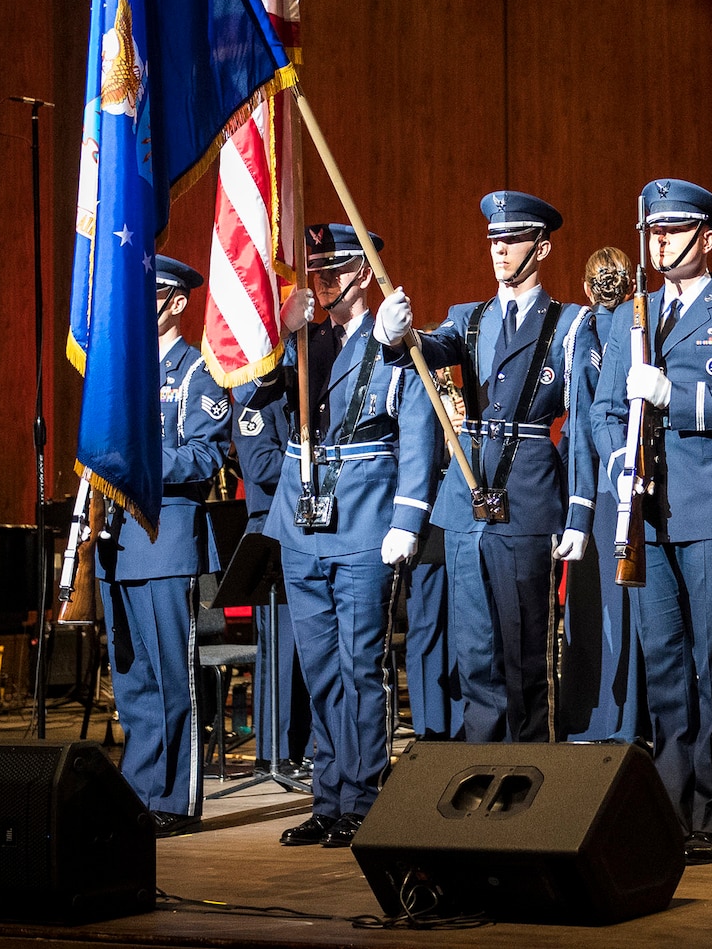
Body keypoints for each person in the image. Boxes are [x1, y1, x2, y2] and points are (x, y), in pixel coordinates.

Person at [592, 179, 712, 864]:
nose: (660, 241)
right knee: (666, 667)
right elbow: (607, 408)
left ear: (707, 237)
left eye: (674, 230)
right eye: (654, 231)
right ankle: (671, 808)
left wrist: (676, 394)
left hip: (710, 510)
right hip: (646, 510)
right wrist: (617, 463)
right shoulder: (631, 316)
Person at [253, 223, 441, 847]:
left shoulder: (392, 340)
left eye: (334, 270)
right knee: (319, 668)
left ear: (362, 273)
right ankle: (329, 797)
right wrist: (278, 340)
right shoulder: (305, 343)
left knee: (361, 666)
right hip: (303, 519)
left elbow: (417, 429)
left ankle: (363, 795)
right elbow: (261, 404)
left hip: (363, 517)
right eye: (316, 271)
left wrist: (408, 518)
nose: (322, 281)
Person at [376, 192, 585, 746]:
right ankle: (481, 769)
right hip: (467, 505)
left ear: (541, 247)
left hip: (528, 496)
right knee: (474, 652)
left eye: (512, 240)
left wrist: (579, 510)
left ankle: (528, 773)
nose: (499, 250)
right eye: (494, 239)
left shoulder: (568, 324)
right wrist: (398, 335)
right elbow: (430, 347)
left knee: (524, 654)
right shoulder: (469, 319)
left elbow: (584, 425)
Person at [98, 257, 233, 837]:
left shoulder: (197, 371)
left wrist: (139, 463)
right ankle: (136, 791)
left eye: (151, 295)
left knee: (172, 679)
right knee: (131, 681)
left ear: (177, 304)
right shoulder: (120, 372)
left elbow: (207, 457)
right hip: (115, 543)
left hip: (164, 538)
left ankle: (173, 799)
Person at [562, 246, 645, 743]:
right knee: (626, 610)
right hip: (631, 475)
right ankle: (630, 718)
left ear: (587, 288)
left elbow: (582, 422)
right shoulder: (638, 330)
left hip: (594, 484)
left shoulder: (581, 331)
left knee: (596, 611)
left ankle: (599, 721)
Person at [229, 377, 310, 773]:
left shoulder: (302, 388)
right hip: (273, 531)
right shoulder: (253, 397)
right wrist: (313, 454)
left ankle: (310, 747)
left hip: (312, 528)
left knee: (312, 648)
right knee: (280, 650)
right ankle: (275, 753)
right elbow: (260, 466)